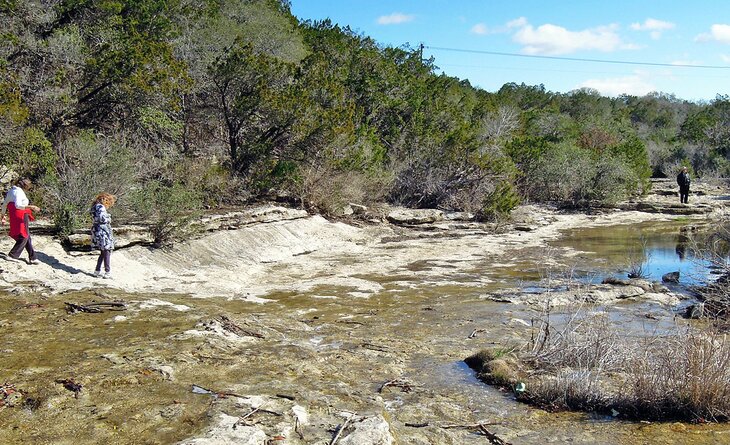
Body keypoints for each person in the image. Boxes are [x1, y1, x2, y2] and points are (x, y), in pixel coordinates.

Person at [1, 178, 40, 264]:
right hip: (21, 215)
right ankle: (12, 255)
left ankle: (32, 257)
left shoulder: (11, 191)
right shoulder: (19, 192)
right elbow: (18, 205)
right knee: (24, 235)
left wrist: (3, 215)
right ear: (25, 185)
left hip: (14, 216)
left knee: (26, 235)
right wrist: (32, 207)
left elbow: (4, 205)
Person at [90, 193, 116, 279]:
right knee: (107, 250)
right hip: (103, 231)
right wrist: (109, 217)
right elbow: (102, 218)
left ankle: (97, 271)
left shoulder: (94, 207)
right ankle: (107, 272)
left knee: (103, 251)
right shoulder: (100, 207)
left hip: (97, 230)